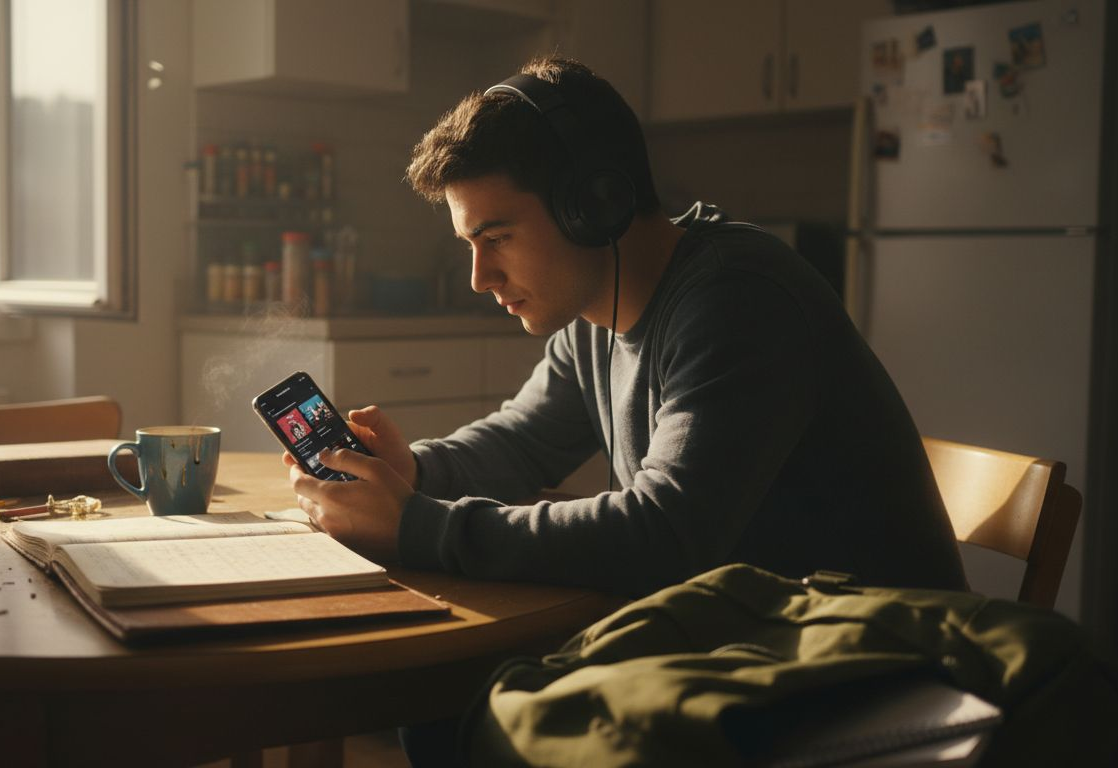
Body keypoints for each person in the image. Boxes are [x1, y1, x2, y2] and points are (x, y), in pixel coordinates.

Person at [284, 56, 967, 599]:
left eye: (497, 237)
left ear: (595, 205)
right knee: (440, 701)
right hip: (751, 633)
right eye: (470, 243)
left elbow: (663, 533)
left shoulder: (738, 298)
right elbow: (521, 444)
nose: (479, 277)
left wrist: (415, 526)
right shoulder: (594, 315)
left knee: (455, 708)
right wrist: (416, 471)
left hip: (873, 656)